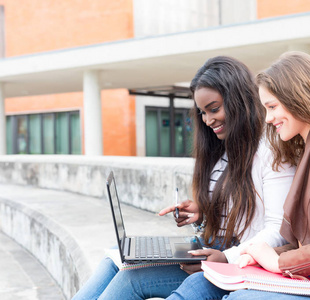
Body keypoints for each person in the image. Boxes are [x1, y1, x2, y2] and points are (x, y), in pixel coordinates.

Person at [168, 51, 310, 300]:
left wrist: (278, 262)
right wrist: (260, 256)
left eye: (272, 107)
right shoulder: (308, 149)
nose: (268, 119)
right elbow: (309, 242)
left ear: (299, 98)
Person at [71, 56, 295, 300]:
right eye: (202, 112)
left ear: (239, 99)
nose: (208, 121)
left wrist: (226, 257)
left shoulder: (271, 152)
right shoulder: (226, 149)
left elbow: (278, 229)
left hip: (236, 258)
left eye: (214, 109)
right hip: (211, 246)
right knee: (115, 257)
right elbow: (237, 206)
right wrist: (204, 210)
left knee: (130, 278)